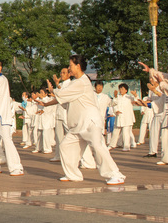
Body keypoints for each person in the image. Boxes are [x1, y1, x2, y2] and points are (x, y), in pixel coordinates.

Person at [48, 54, 125, 185]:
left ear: (78, 66)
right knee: (65, 146)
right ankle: (73, 175)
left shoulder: (82, 82)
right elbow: (66, 101)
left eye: (70, 66)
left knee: (97, 146)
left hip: (90, 122)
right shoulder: (75, 83)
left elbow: (62, 94)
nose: (69, 68)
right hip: (78, 124)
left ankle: (115, 174)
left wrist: (53, 89)